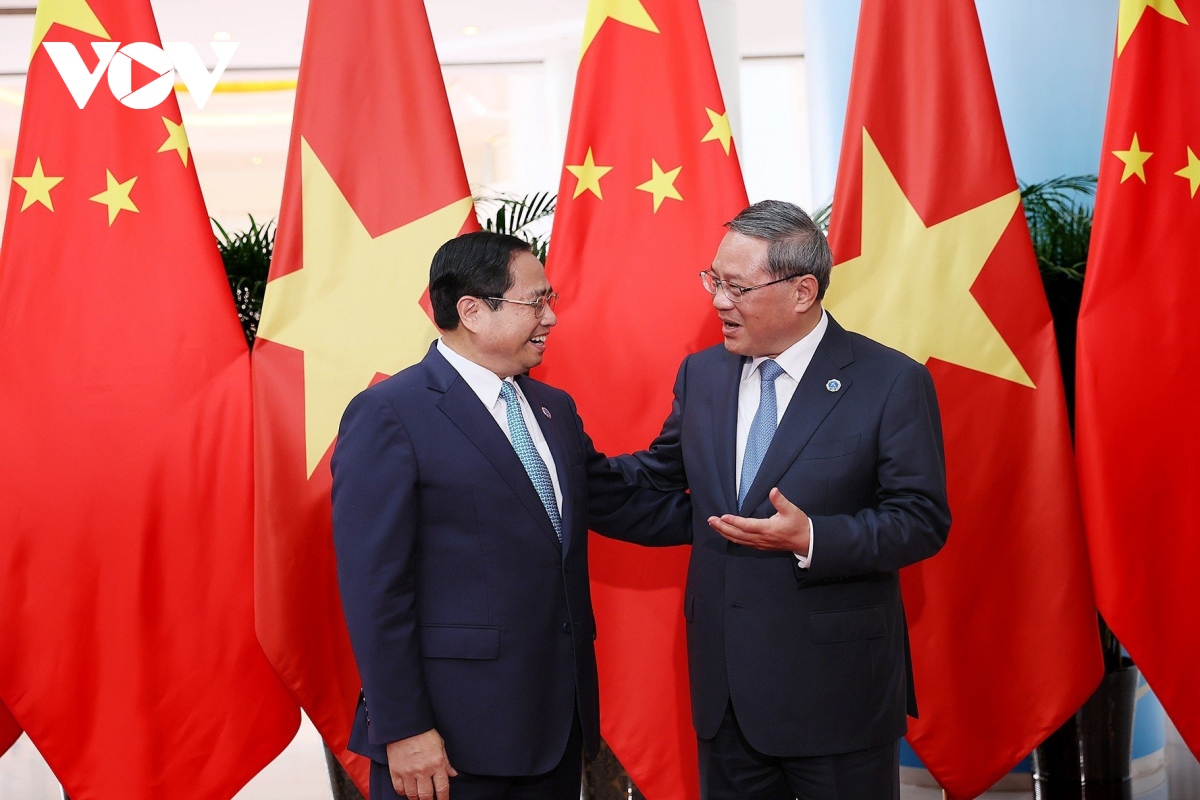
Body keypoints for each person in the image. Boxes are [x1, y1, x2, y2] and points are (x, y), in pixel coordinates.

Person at [331, 231, 690, 800]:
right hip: (447, 742)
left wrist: (736, 513)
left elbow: (617, 500)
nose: (551, 317)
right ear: (472, 311)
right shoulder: (390, 414)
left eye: (551, 300)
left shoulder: (553, 407)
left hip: (553, 727)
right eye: (536, 301)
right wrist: (403, 728)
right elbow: (375, 588)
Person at [614, 200, 951, 799]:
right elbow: (659, 483)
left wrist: (813, 538)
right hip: (726, 700)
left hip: (836, 697)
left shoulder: (890, 381)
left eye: (737, 287)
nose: (719, 301)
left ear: (802, 291)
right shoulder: (703, 375)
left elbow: (920, 519)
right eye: (714, 281)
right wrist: (557, 470)